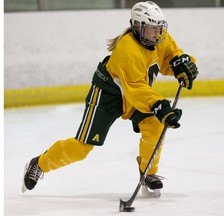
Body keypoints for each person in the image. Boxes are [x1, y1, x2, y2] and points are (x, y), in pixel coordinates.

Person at [22, 1, 199, 198]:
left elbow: (170, 54)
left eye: (160, 28)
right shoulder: (127, 49)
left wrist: (180, 63)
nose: (157, 33)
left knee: (156, 126)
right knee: (82, 148)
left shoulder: (158, 38)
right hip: (107, 94)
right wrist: (160, 106)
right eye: (152, 28)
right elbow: (136, 89)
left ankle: (148, 172)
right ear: (138, 27)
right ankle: (39, 163)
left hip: (135, 93)